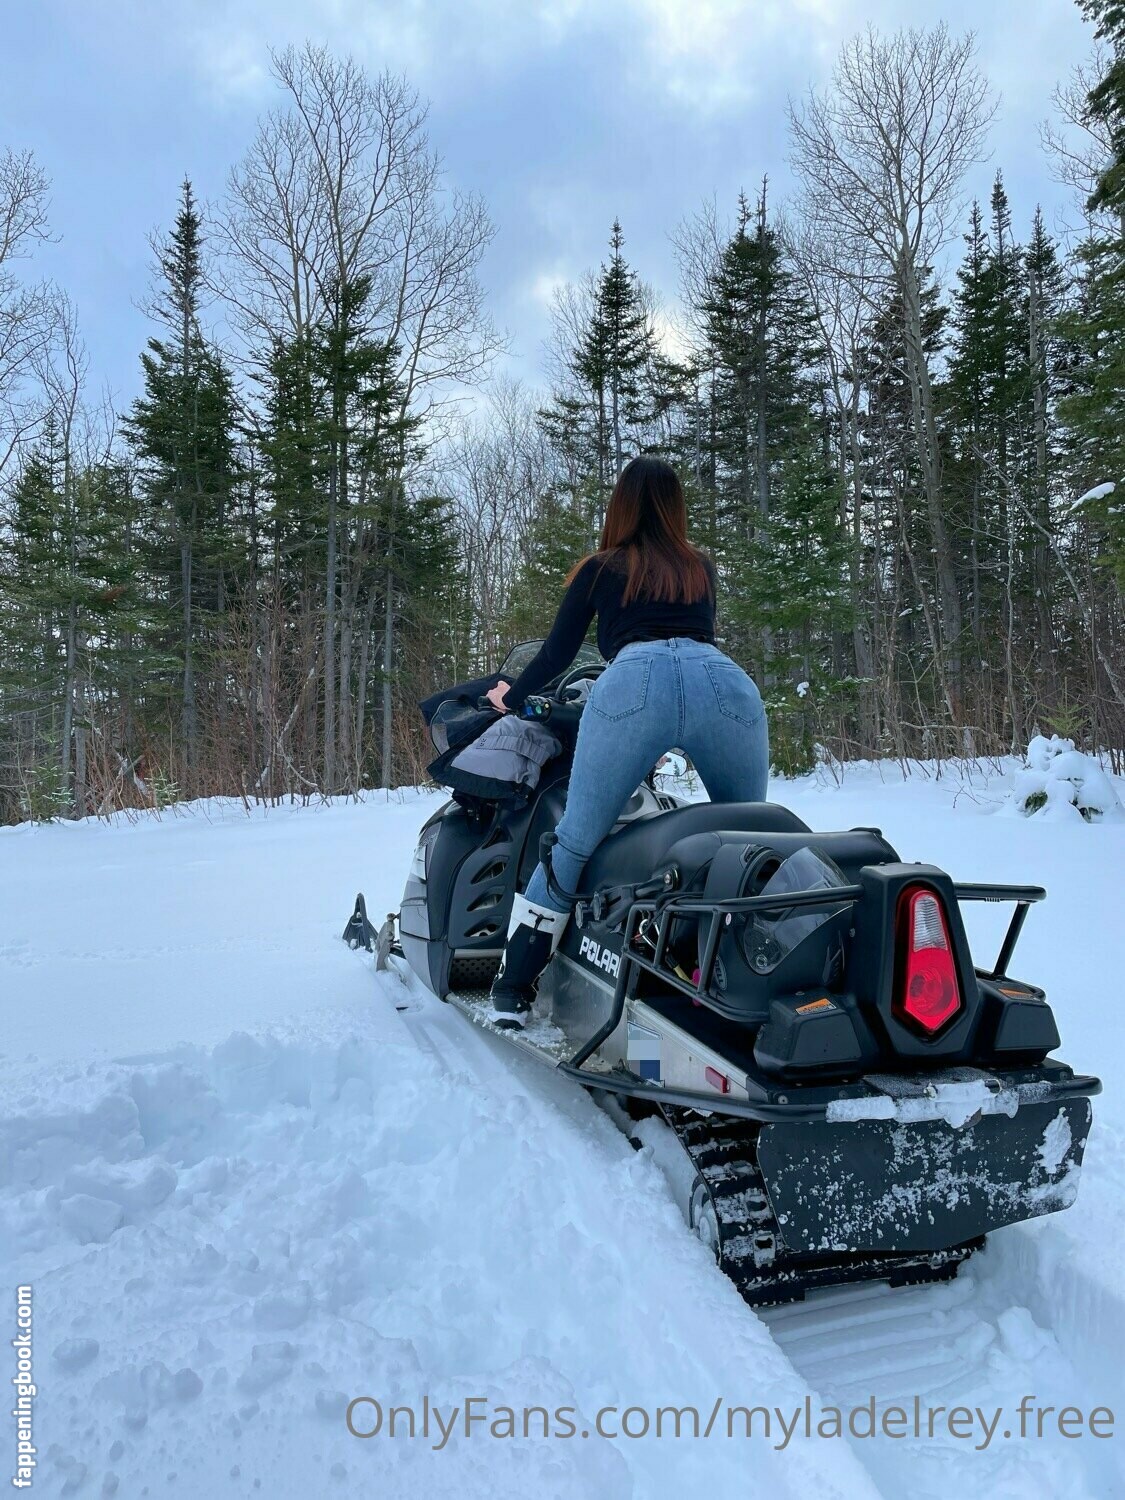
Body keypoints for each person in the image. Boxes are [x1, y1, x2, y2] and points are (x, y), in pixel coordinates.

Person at [488, 455, 769, 1028]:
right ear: (675, 508)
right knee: (752, 838)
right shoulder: (700, 567)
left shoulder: (601, 567)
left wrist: (510, 697)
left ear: (621, 505)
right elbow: (691, 649)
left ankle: (513, 990)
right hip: (724, 682)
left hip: (634, 682)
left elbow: (557, 653)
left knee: (574, 842)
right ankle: (755, 980)